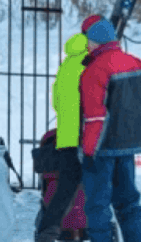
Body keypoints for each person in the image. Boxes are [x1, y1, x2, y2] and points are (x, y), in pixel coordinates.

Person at [78, 15, 141, 242]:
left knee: (98, 206)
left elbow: (95, 117)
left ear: (94, 40)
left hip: (102, 149)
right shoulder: (135, 63)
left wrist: (89, 152)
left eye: (87, 39)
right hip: (128, 147)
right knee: (129, 203)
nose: (86, 45)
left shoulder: (94, 70)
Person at [36, 31, 89, 242]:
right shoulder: (88, 67)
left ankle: (49, 230)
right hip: (84, 135)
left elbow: (56, 102)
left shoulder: (66, 66)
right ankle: (84, 227)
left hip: (66, 136)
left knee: (65, 186)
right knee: (88, 185)